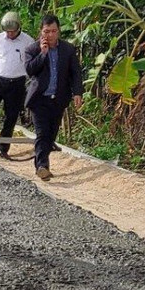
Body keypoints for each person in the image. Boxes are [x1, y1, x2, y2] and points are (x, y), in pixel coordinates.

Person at [23, 14, 83, 180]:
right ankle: (42, 166)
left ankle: (40, 162)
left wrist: (77, 92)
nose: (49, 35)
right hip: (39, 99)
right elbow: (30, 71)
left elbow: (75, 73)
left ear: (59, 31)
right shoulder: (32, 49)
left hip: (58, 99)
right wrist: (42, 54)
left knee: (51, 135)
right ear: (41, 32)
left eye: (53, 31)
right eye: (46, 31)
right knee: (42, 133)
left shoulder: (68, 49)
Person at [0, 11, 34, 155]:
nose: (10, 34)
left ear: (19, 28)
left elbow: (32, 60)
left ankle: (3, 148)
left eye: (13, 31)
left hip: (17, 83)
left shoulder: (28, 41)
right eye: (7, 31)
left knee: (11, 117)